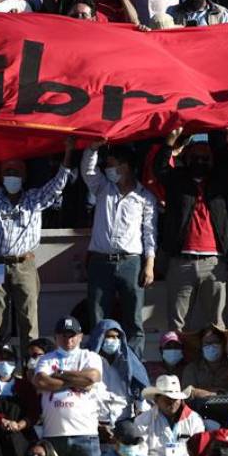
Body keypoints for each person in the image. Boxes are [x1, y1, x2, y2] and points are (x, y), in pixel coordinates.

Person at [0, 122, 75, 346]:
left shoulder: (35, 199)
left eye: (16, 172)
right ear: (1, 176)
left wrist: (68, 151)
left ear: (23, 176)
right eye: (7, 172)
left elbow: (59, 183)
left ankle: (30, 370)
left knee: (28, 321)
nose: (12, 176)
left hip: (25, 265)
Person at [154, 129, 228, 332]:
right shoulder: (177, 180)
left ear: (212, 161)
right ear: (187, 159)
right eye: (196, 157)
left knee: (217, 326)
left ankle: (218, 364)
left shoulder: (221, 182)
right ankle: (178, 364)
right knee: (177, 327)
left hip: (214, 263)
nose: (200, 162)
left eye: (205, 158)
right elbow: (160, 169)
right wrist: (169, 143)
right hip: (181, 262)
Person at [80, 141, 157, 356]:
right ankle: (98, 363)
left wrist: (149, 264)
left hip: (131, 262)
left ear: (125, 167)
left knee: (134, 319)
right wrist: (93, 147)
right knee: (98, 316)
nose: (108, 169)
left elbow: (150, 233)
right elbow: (87, 170)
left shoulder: (145, 197)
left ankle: (134, 365)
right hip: (100, 260)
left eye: (112, 165)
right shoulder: (103, 188)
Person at [31, 316, 103, 456]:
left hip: (85, 434)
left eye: (72, 335)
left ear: (80, 336)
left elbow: (92, 377)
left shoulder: (90, 356)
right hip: (53, 435)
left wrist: (59, 374)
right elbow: (41, 381)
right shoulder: (46, 358)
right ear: (56, 337)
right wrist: (78, 381)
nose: (68, 339)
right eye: (63, 335)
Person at [133, 374, 205, 456]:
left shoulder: (194, 419)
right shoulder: (142, 421)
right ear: (156, 399)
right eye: (167, 398)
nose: (172, 402)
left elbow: (199, 454)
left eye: (175, 398)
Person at [86, 320, 149, 426]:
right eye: (109, 337)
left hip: (124, 420)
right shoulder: (87, 361)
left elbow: (140, 389)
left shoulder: (128, 362)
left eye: (117, 337)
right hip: (94, 422)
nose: (113, 340)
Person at [180, 325, 228, 402]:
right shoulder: (192, 368)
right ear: (201, 346)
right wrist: (218, 394)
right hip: (200, 410)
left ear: (223, 345)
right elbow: (187, 393)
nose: (211, 347)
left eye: (215, 342)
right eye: (207, 343)